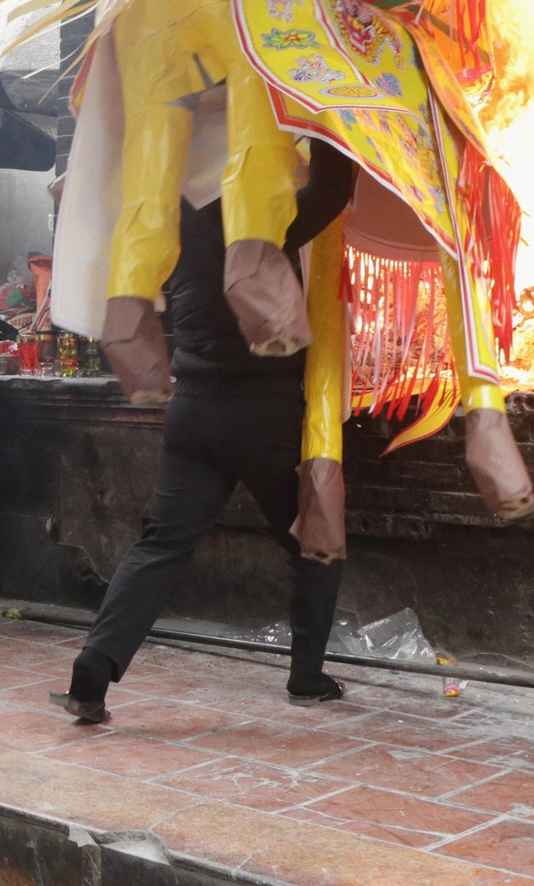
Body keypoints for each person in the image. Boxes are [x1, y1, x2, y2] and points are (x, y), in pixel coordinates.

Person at [53, 139, 356, 722]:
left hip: (192, 408)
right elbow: (333, 190)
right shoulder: (260, 222)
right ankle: (307, 676)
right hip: (265, 410)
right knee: (310, 536)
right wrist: (323, 119)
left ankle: (93, 669)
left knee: (161, 544)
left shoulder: (176, 223)